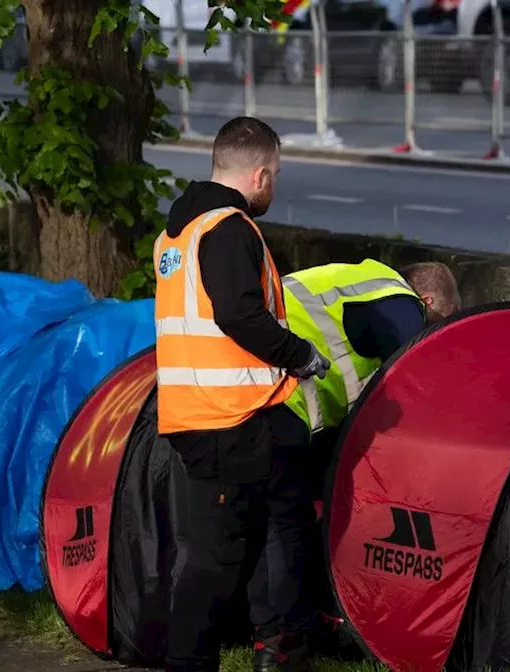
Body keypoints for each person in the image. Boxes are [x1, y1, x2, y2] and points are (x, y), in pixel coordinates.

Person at [153, 116, 330, 672]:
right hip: (229, 420)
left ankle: (273, 645)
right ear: (258, 175)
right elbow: (238, 314)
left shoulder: (178, 233)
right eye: (274, 174)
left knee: (245, 542)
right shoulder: (230, 229)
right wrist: (300, 355)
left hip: (196, 416)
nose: (274, 185)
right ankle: (204, 659)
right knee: (216, 561)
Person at [246, 258, 462, 654]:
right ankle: (284, 638)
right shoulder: (400, 304)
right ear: (428, 302)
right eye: (442, 323)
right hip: (279, 395)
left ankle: (266, 631)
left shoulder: (359, 286)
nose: (436, 337)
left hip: (233, 386)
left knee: (257, 515)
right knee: (285, 518)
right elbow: (418, 388)